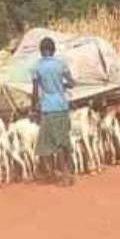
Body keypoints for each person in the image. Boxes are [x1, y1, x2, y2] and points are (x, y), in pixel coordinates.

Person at [32, 37, 76, 186]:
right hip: (62, 107)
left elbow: (35, 90)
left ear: (41, 50)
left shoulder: (37, 67)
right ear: (53, 49)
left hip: (48, 108)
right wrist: (64, 85)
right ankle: (68, 174)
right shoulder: (61, 64)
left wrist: (33, 108)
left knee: (50, 143)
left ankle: (61, 175)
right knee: (63, 141)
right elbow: (72, 82)